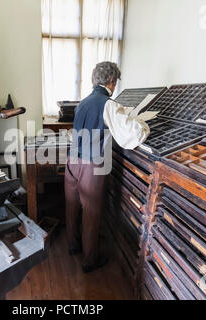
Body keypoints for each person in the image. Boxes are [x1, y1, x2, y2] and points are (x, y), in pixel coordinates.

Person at [65, 61, 151, 273]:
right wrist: (143, 124)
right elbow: (131, 134)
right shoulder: (108, 104)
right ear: (112, 81)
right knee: (91, 213)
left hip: (72, 161)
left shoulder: (82, 103)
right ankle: (89, 261)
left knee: (72, 207)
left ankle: (73, 245)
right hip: (92, 165)